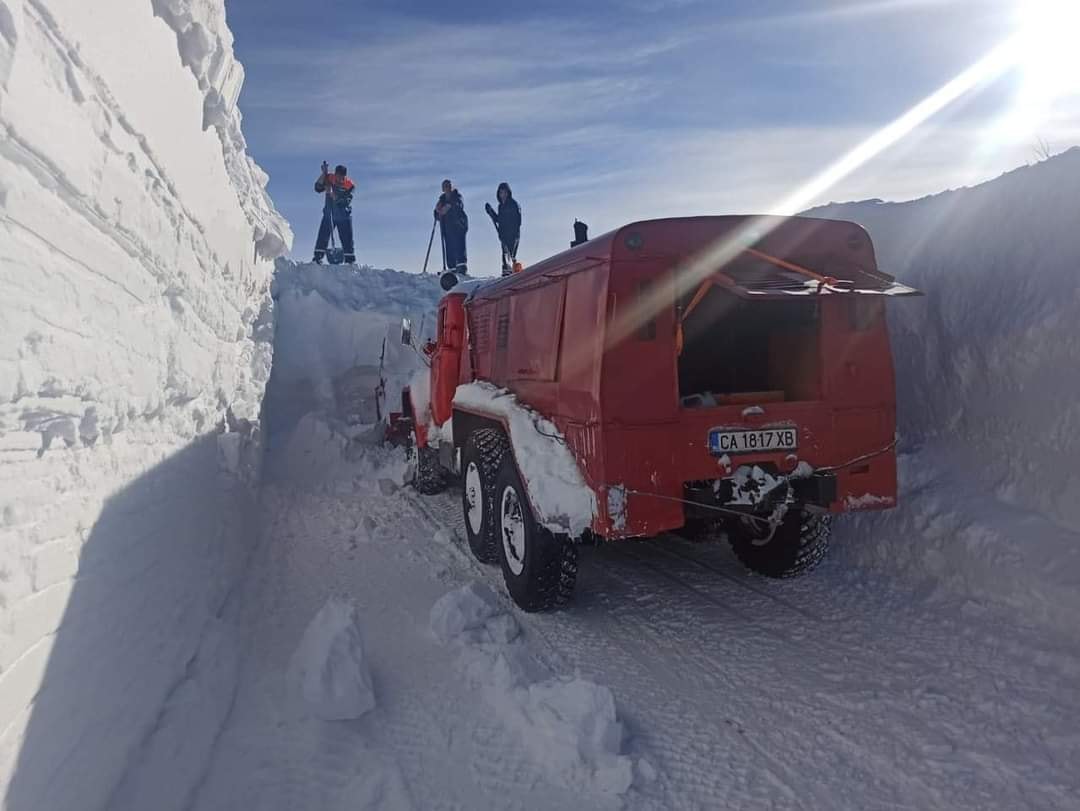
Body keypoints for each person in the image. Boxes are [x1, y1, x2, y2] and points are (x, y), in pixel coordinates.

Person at [313, 162, 356, 264]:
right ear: (335, 174)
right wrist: (324, 174)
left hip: (343, 216)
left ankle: (349, 260)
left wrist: (334, 196)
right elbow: (317, 188)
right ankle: (318, 258)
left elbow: (346, 201)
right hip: (329, 213)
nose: (338, 180)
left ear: (345, 177)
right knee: (323, 236)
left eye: (341, 177)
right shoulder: (329, 178)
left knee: (347, 238)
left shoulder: (349, 185)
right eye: (337, 176)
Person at [484, 182, 522, 276]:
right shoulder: (501, 206)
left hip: (513, 235)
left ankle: (511, 272)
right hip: (504, 235)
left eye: (505, 192)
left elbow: (518, 221)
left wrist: (512, 232)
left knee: (510, 254)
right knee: (505, 254)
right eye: (501, 193)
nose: (503, 195)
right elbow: (499, 220)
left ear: (508, 193)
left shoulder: (514, 204)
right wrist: (491, 212)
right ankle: (507, 272)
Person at [434, 179, 468, 272]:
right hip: (447, 228)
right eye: (445, 187)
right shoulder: (441, 201)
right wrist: (437, 212)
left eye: (448, 186)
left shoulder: (457, 197)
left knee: (459, 246)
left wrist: (448, 206)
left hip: (458, 226)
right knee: (449, 248)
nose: (447, 188)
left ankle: (461, 267)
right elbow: (438, 214)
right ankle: (452, 269)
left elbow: (458, 205)